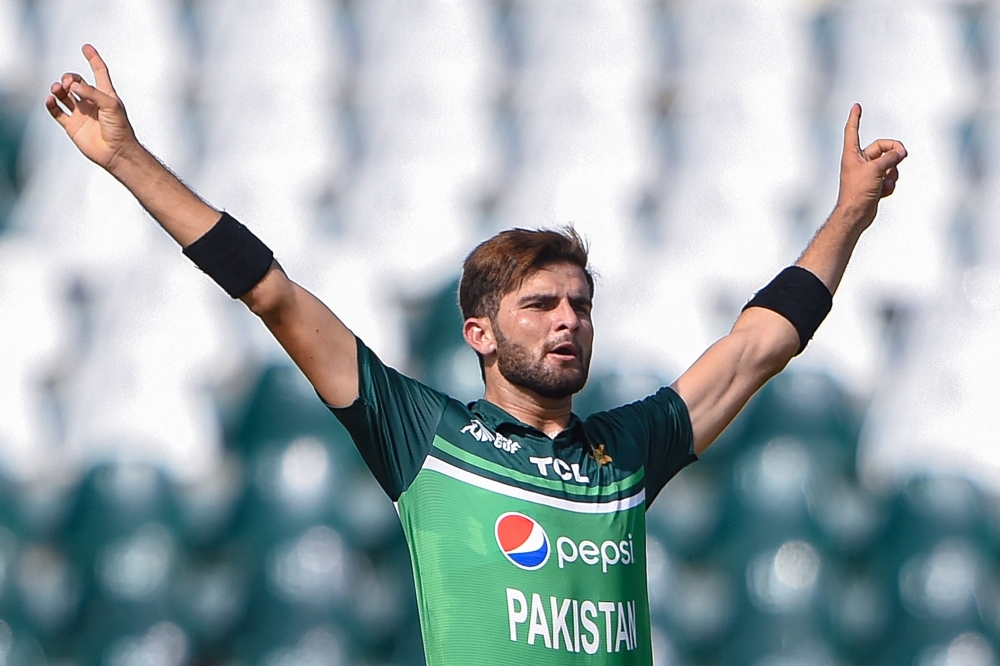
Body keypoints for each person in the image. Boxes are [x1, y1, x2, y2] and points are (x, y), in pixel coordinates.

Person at [47, 44, 906, 665]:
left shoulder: (624, 452)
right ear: (480, 334)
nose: (567, 320)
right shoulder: (425, 436)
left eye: (580, 304)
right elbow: (270, 290)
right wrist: (127, 158)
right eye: (540, 305)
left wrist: (849, 218)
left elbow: (760, 345)